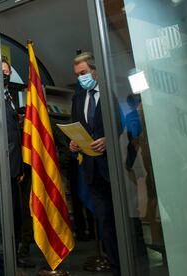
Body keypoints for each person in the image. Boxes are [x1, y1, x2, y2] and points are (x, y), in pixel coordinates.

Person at [69, 52, 121, 276]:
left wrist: (109, 139)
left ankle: (129, 262)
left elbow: (120, 123)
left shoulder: (109, 93)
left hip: (112, 168)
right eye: (78, 75)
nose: (81, 78)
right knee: (105, 221)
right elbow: (76, 127)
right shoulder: (78, 98)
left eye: (83, 73)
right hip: (91, 170)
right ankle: (116, 266)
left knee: (121, 219)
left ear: (94, 71)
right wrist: (73, 143)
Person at [1, 59, 35, 268]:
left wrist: (19, 167)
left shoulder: (11, 98)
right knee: (9, 213)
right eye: (1, 71)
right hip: (3, 167)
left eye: (7, 71)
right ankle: (9, 256)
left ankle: (17, 254)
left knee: (18, 213)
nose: (5, 74)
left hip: (15, 167)